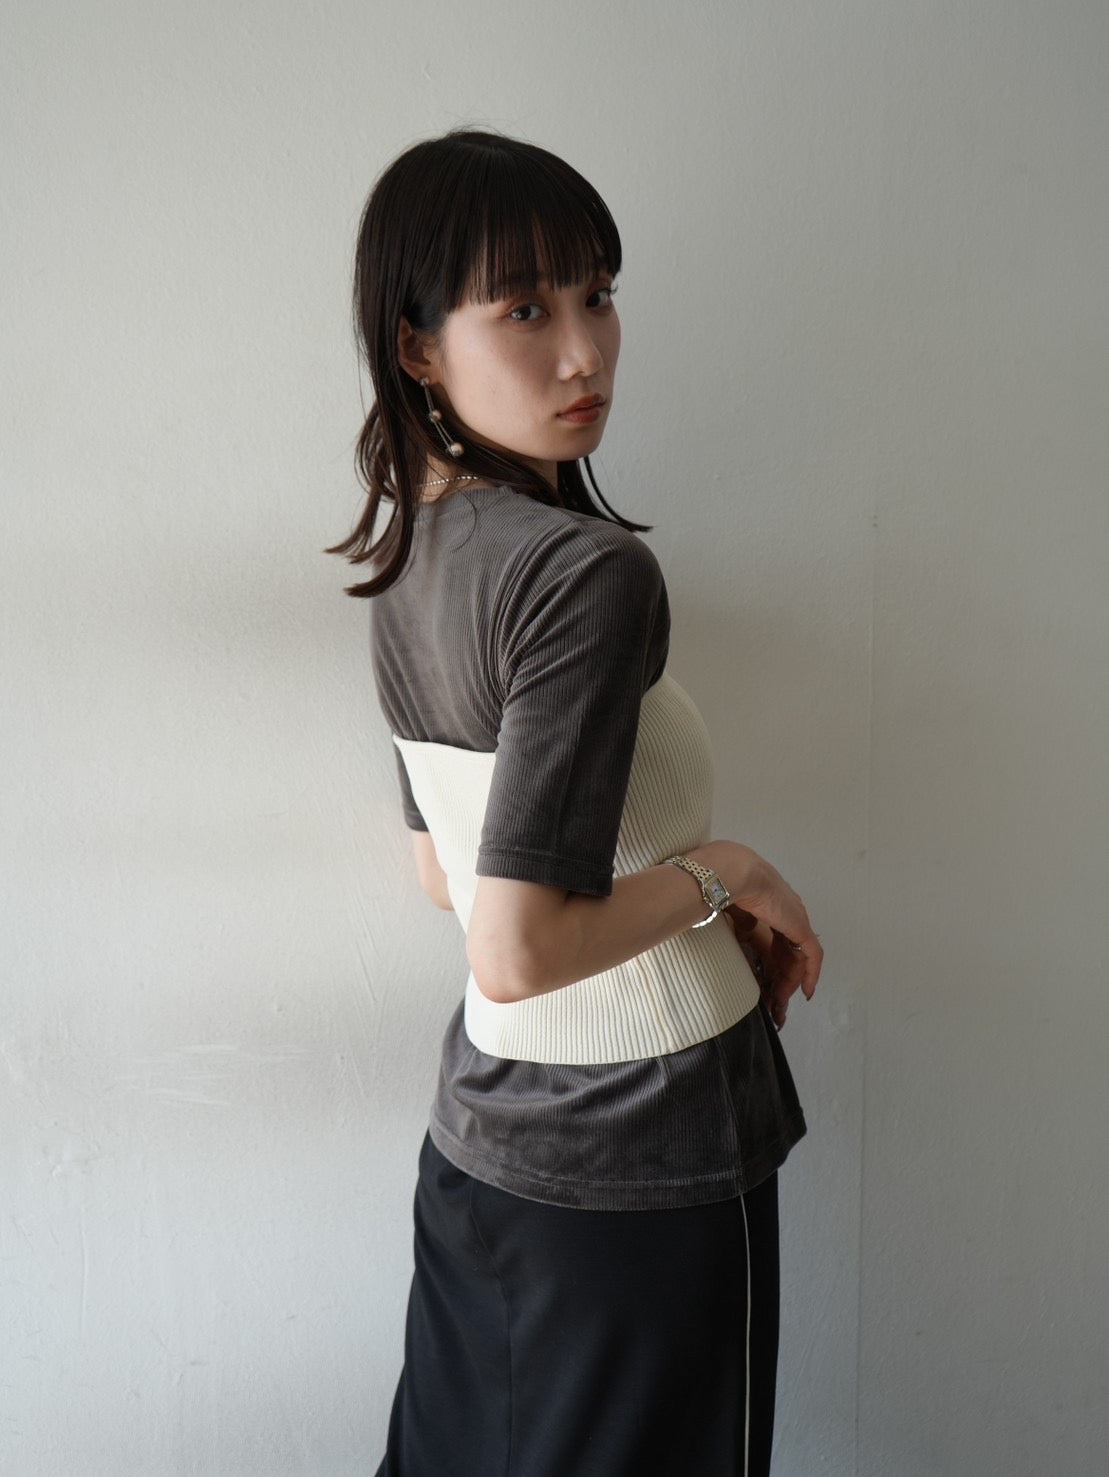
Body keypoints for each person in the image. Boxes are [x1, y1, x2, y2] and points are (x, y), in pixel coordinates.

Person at [328, 128, 823, 1477]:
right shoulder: (581, 575)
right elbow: (519, 944)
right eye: (524, 310)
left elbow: (447, 874)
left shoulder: (411, 548)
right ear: (417, 345)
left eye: (596, 296)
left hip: (488, 1145)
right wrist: (726, 871)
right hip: (648, 1154)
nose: (583, 352)